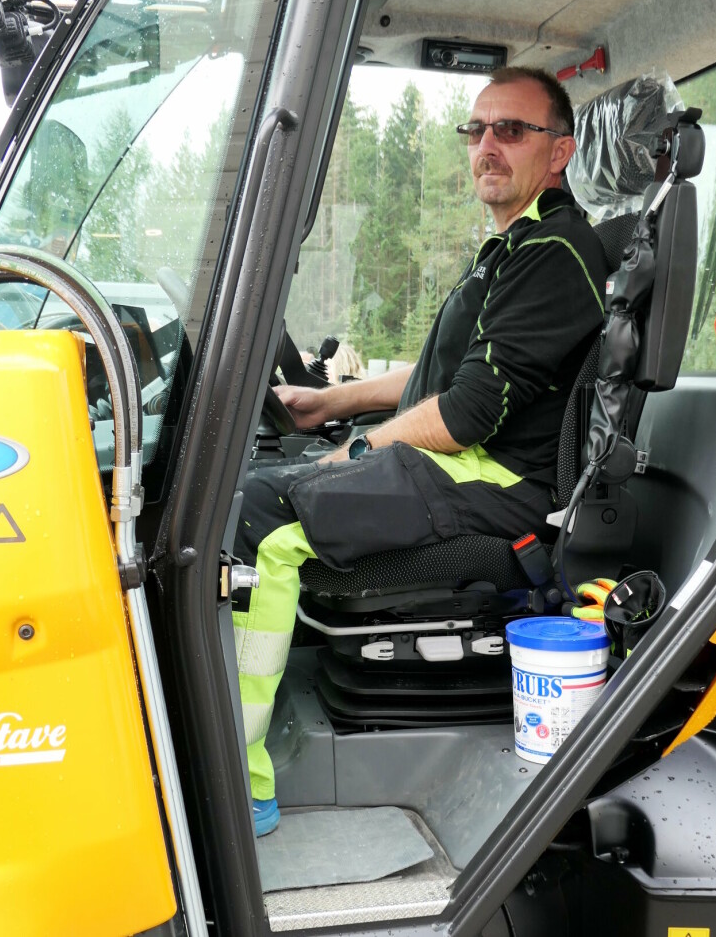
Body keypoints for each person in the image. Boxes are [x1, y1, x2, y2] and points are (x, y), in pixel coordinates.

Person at [232, 65, 609, 836]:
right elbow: (444, 377)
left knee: (259, 517)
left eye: (512, 130)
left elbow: (468, 414)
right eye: (477, 130)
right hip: (463, 466)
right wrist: (332, 403)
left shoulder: (553, 257)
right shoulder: (513, 248)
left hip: (497, 487)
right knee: (260, 482)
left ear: (559, 150)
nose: (488, 146)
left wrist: (355, 452)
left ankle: (240, 777)